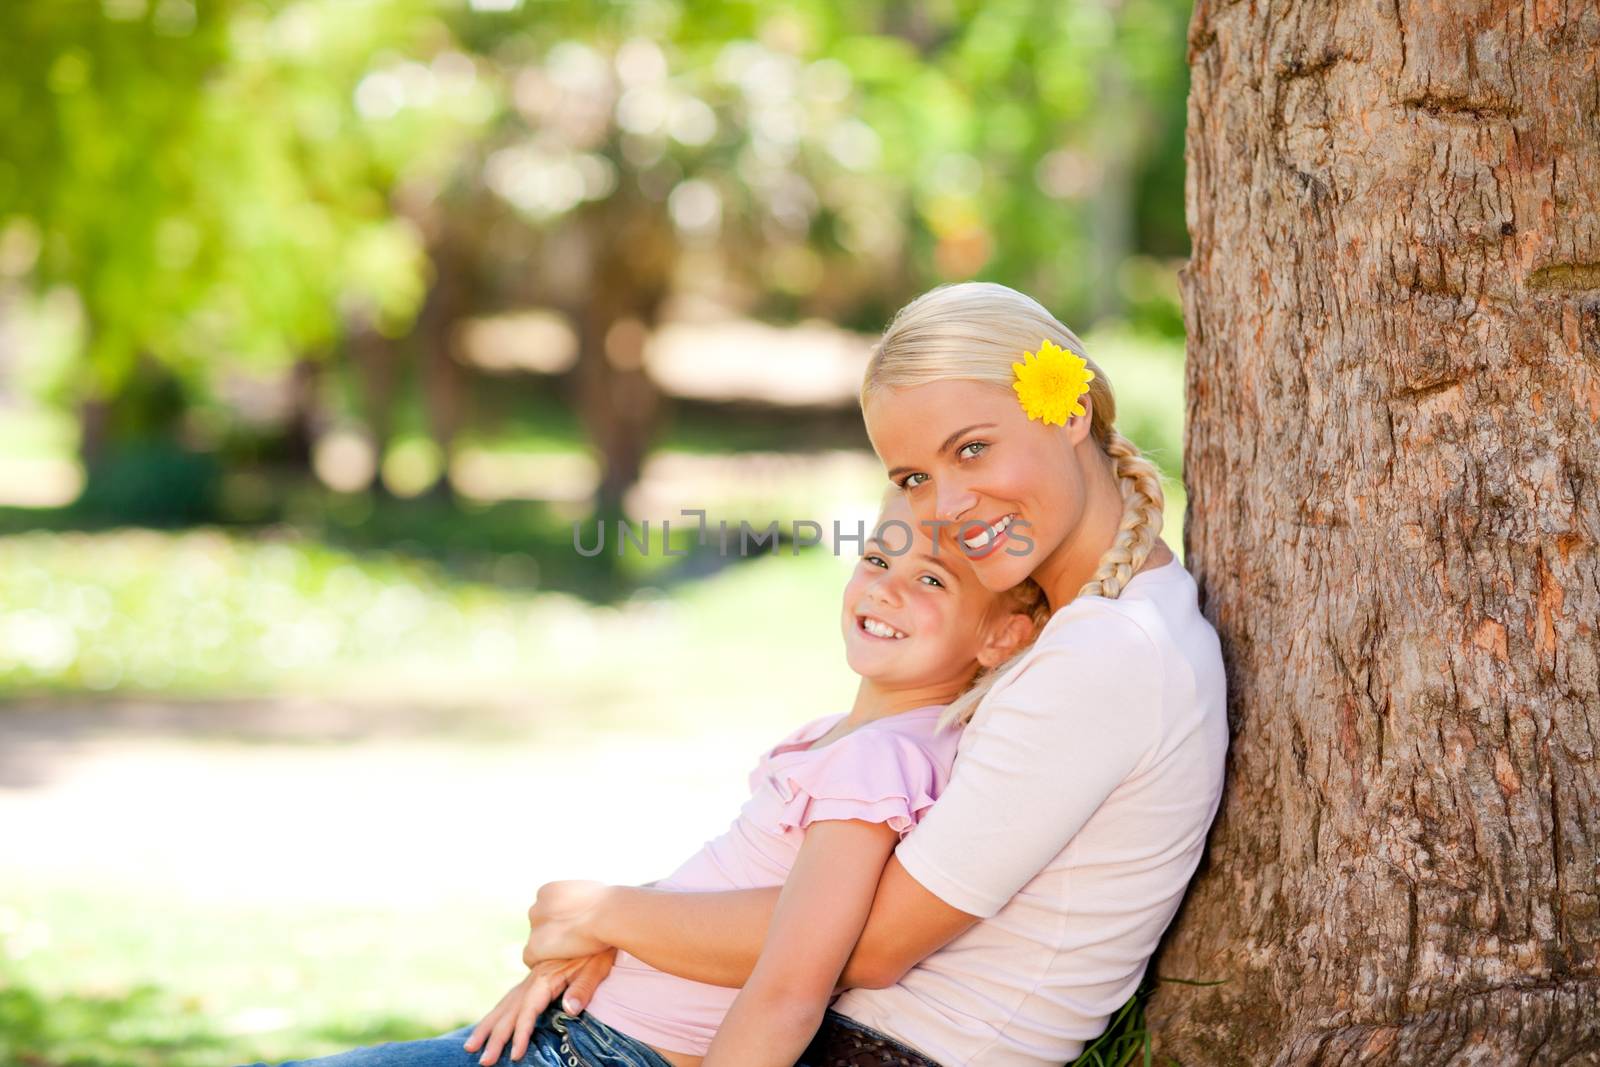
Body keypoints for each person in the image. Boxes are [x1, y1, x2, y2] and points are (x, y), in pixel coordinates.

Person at [509, 281, 1229, 1067]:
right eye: (915, 476)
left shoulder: (1110, 652)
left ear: (1069, 409)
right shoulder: (1070, 627)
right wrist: (625, 944)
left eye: (972, 448)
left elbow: (866, 942)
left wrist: (613, 916)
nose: (947, 505)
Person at [243, 491, 1047, 1067]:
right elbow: (737, 900)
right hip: (579, 1030)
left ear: (1003, 634)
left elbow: (794, 979)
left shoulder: (879, 763)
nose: (885, 586)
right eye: (877, 556)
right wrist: (594, 942)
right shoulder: (850, 744)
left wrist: (604, 919)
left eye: (933, 581)